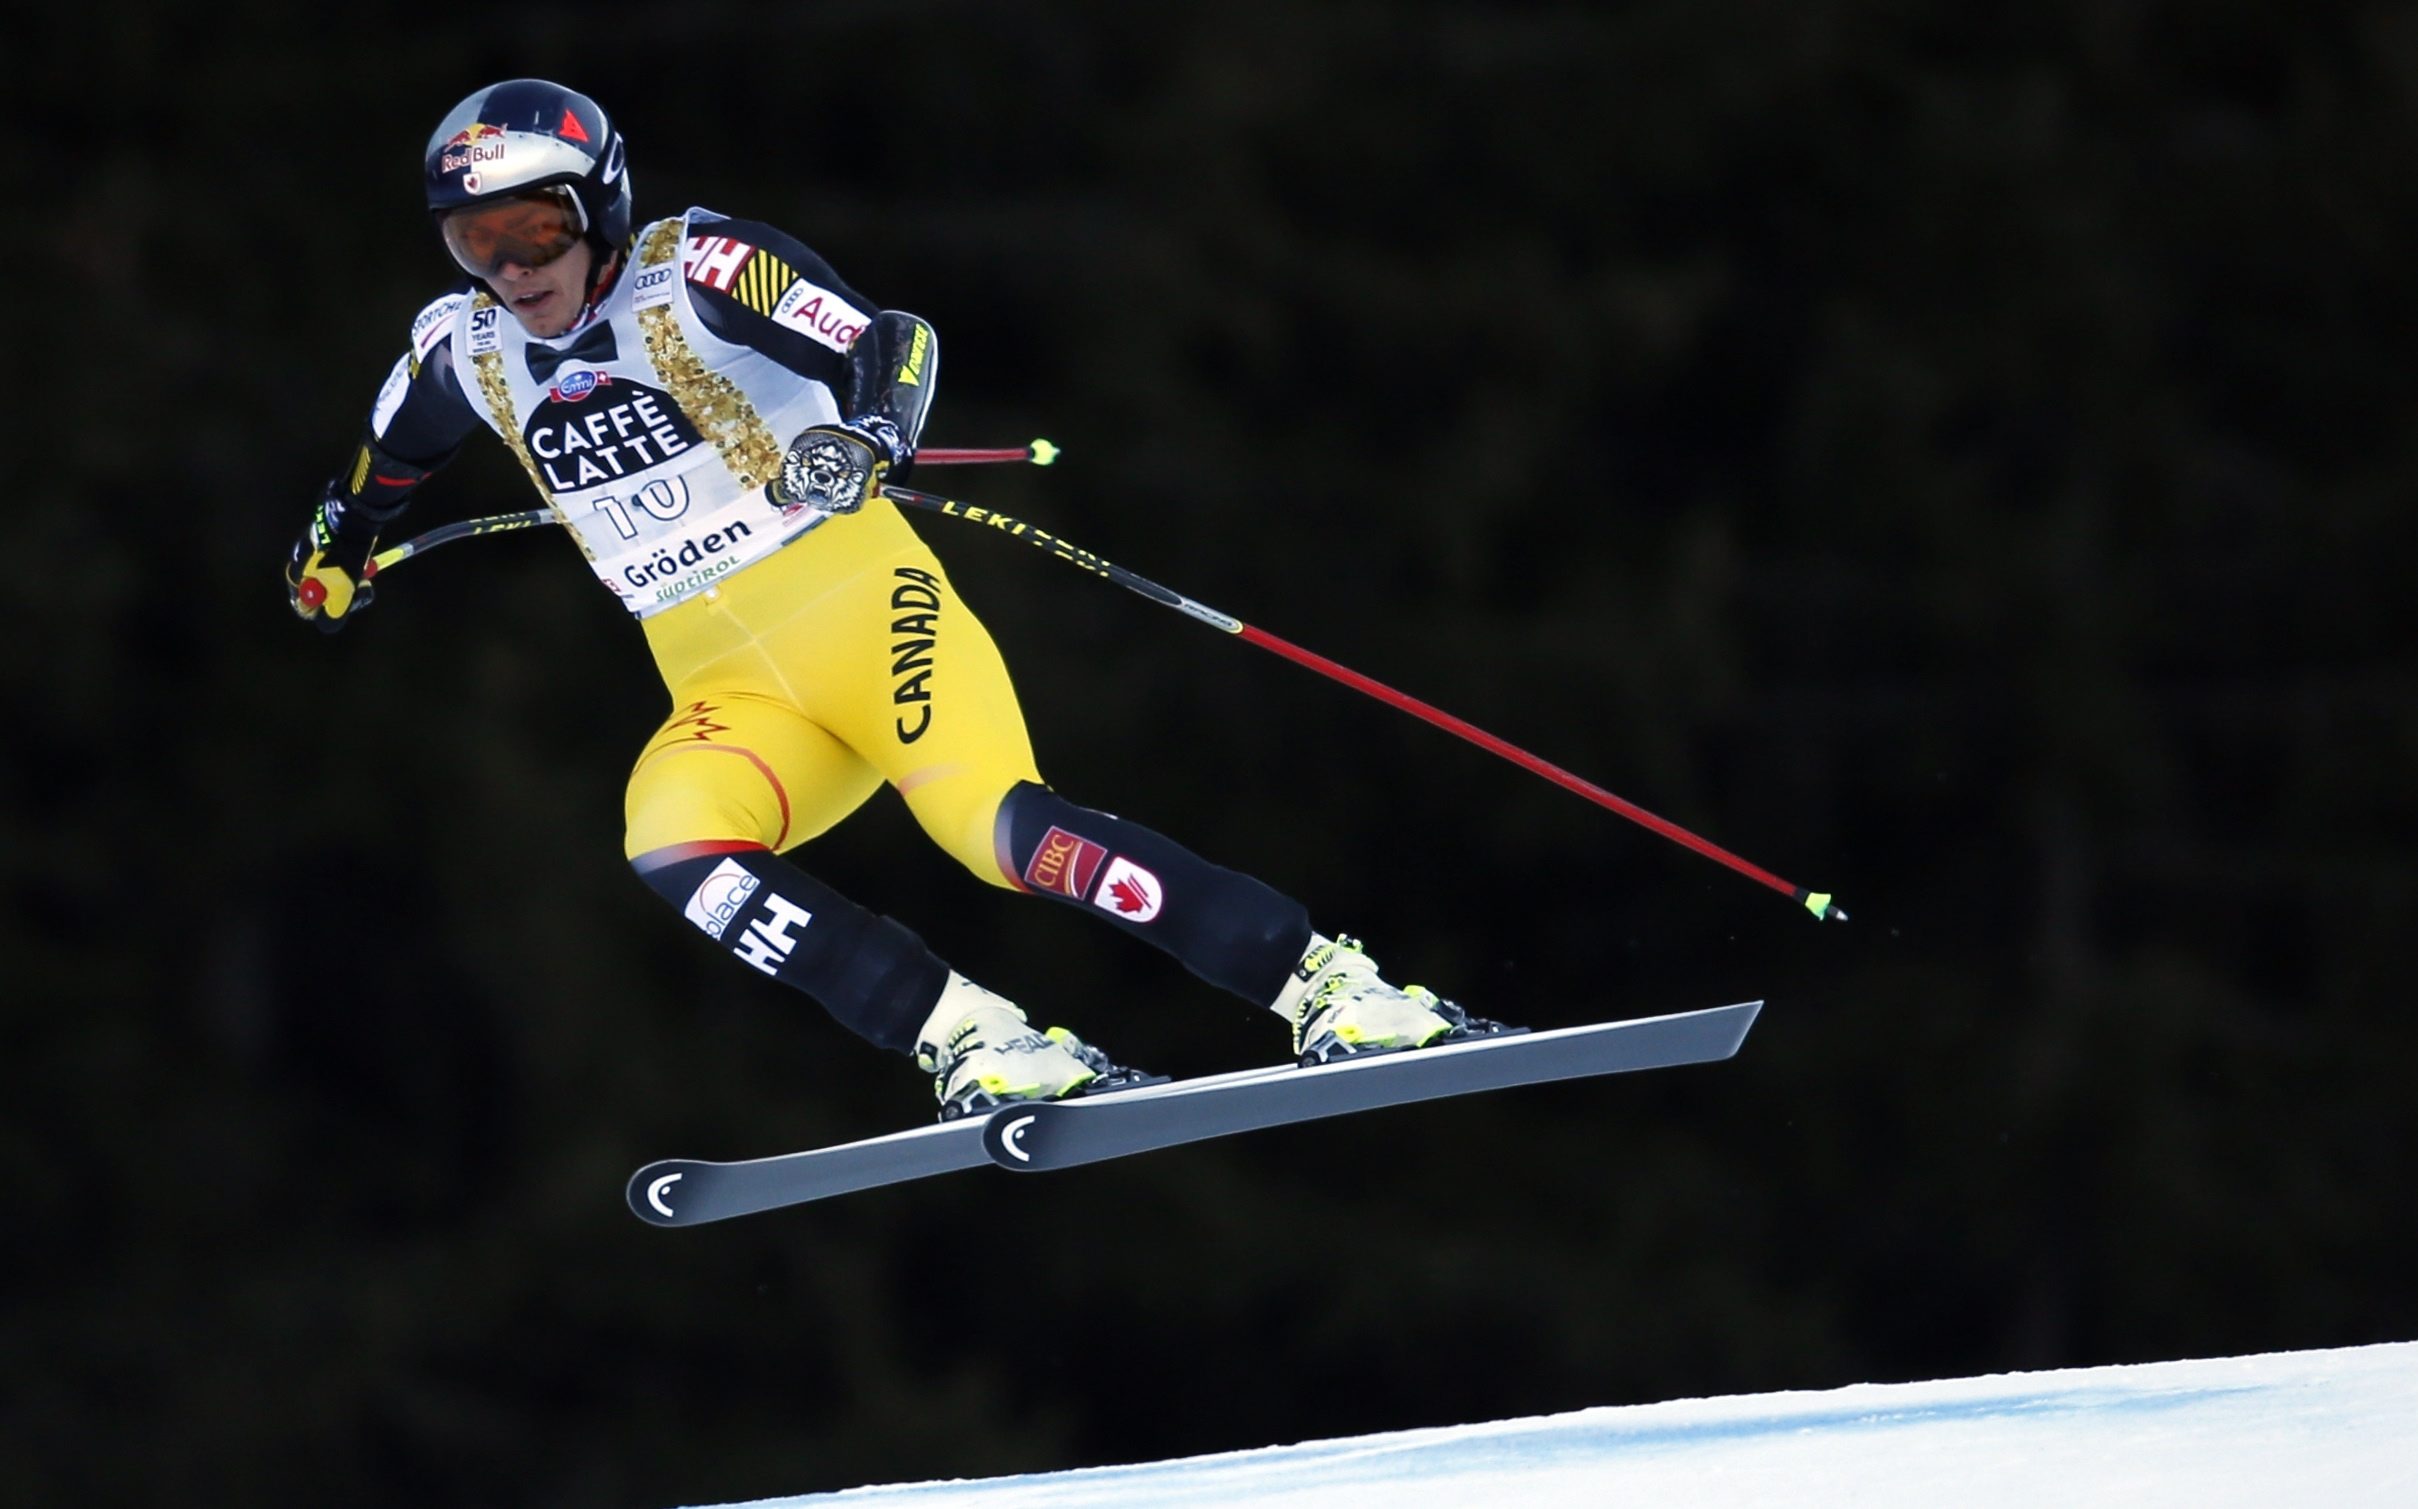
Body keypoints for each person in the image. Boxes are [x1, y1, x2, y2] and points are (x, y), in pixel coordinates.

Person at [288, 78, 1507, 1119]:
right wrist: (338, 548)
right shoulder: (464, 347)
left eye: (536, 232)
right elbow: (388, 460)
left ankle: (1339, 992)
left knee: (1002, 838)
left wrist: (869, 436)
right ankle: (973, 1035)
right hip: (725, 686)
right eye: (475, 242)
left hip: (860, 612)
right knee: (672, 844)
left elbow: (894, 339)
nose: (511, 271)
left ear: (597, 204)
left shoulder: (698, 269)